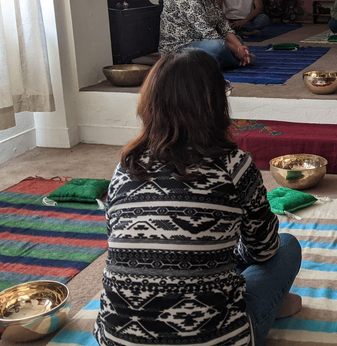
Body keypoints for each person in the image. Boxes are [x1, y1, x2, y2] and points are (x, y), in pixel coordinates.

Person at [94, 49, 303, 346]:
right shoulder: (234, 165)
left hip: (118, 340)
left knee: (207, 255)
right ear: (216, 103)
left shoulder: (126, 166)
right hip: (214, 339)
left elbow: (122, 246)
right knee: (287, 245)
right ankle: (267, 305)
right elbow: (264, 249)